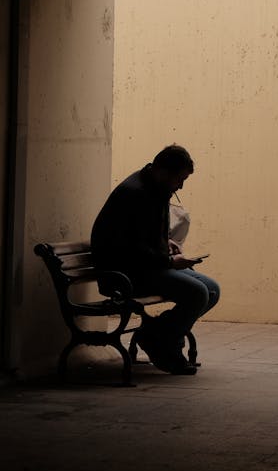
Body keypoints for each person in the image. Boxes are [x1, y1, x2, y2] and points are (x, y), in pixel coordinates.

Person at [91, 144, 220, 375]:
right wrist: (169, 262)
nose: (180, 186)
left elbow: (143, 236)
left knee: (212, 289)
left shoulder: (156, 188)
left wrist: (165, 243)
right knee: (198, 292)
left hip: (147, 267)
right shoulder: (135, 194)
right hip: (127, 274)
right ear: (163, 171)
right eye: (179, 179)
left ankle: (155, 333)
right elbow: (130, 250)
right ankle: (166, 347)